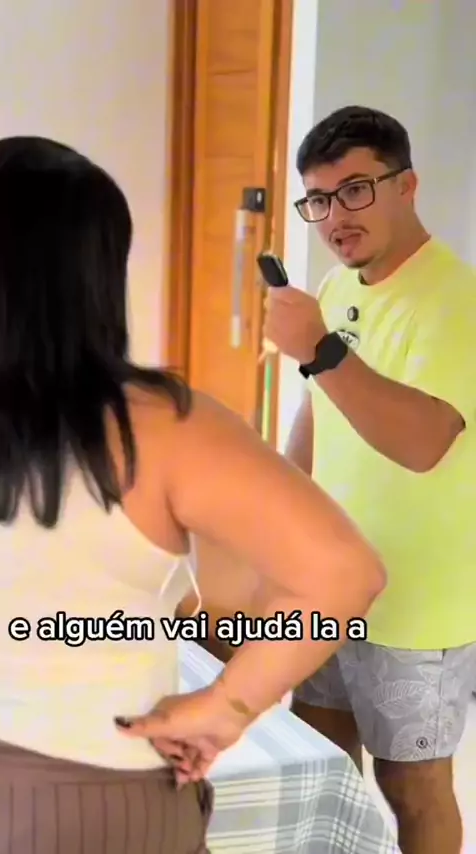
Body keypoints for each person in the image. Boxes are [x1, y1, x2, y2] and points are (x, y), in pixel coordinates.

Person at [0, 136, 385, 854]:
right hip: (101, 788)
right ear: (98, 275)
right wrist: (227, 706)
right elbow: (345, 573)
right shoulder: (164, 427)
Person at [263, 105, 476, 854]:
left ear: (406, 185)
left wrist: (321, 350)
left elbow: (424, 443)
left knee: (413, 788)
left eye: (355, 190)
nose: (334, 217)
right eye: (318, 199)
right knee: (322, 763)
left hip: (417, 603)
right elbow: (318, 412)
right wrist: (278, 522)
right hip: (335, 580)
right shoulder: (338, 285)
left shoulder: (458, 302)